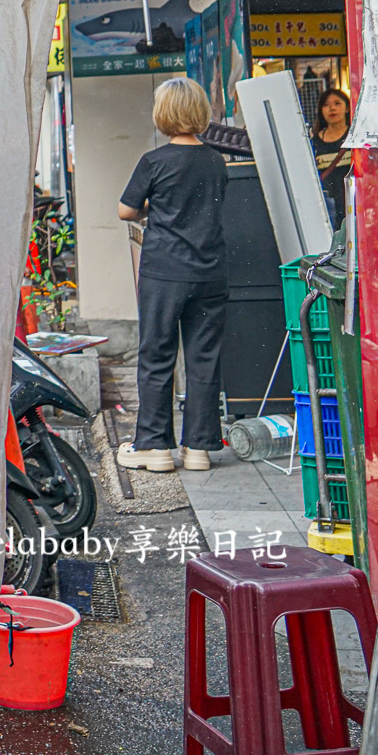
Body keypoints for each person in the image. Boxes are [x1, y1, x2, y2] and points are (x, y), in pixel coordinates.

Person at [116, 76, 227, 474]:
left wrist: (153, 206)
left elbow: (126, 210)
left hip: (165, 271)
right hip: (211, 273)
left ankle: (154, 445)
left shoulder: (154, 161)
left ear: (163, 115)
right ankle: (198, 448)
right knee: (203, 358)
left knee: (158, 354)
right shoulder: (216, 161)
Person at [311, 87, 353, 226]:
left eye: (337, 103)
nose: (332, 108)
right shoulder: (314, 142)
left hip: (353, 201)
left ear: (347, 108)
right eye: (326, 105)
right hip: (328, 206)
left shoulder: (354, 137)